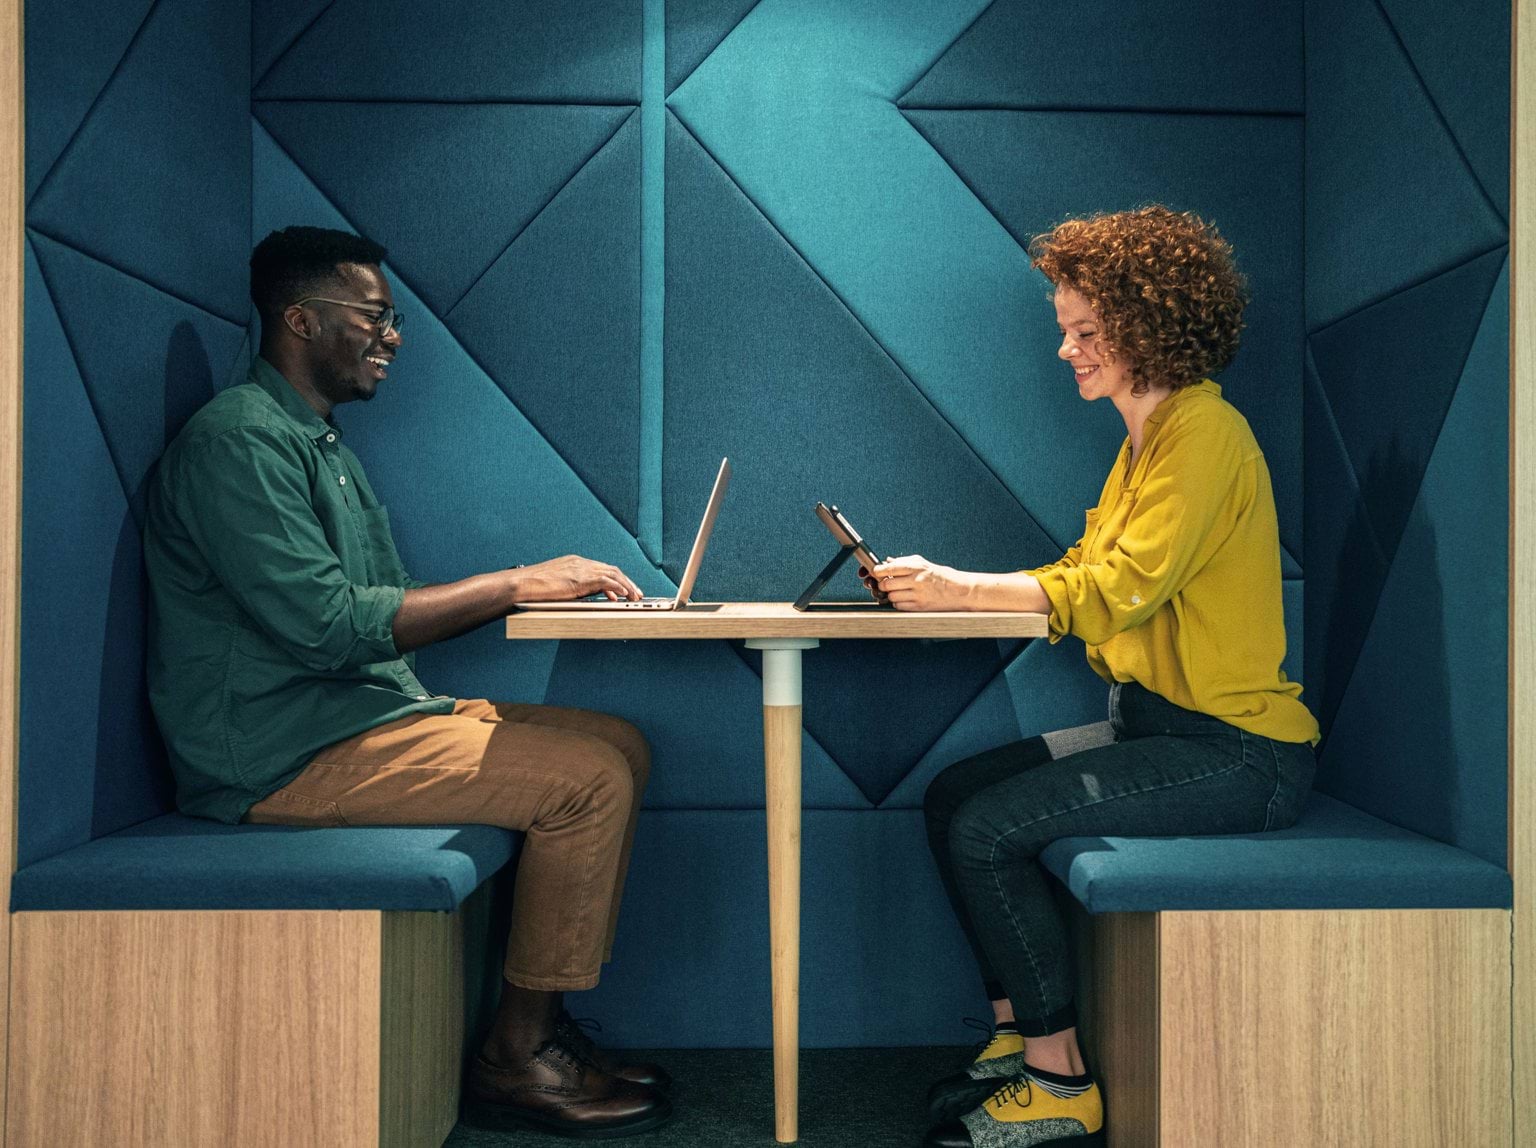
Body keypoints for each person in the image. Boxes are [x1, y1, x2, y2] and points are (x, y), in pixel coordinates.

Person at [144, 225, 672, 1139]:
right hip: (277, 751)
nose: (393, 337)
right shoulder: (238, 442)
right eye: (376, 317)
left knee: (621, 742)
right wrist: (515, 582)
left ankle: (542, 1025)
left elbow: (369, 611)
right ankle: (517, 1058)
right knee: (588, 782)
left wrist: (525, 590)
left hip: (354, 715)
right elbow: (327, 626)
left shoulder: (320, 445)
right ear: (301, 318)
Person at [868, 205, 1320, 1148]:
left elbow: (1112, 592)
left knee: (992, 828)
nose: (1068, 350)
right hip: (1154, 730)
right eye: (1066, 330)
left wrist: (957, 587)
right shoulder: (1144, 443)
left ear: (1152, 326)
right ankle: (1013, 1035)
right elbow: (1087, 581)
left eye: (1088, 332)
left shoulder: (1205, 435)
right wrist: (954, 593)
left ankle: (1058, 1081)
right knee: (956, 795)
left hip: (1237, 754)